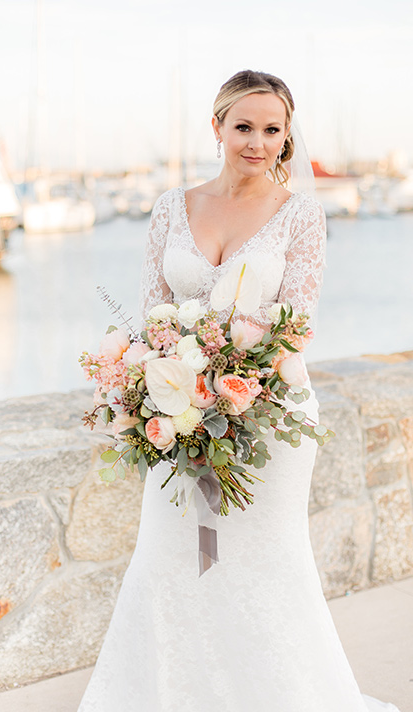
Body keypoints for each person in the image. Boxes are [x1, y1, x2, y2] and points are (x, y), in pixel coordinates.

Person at [78, 70, 401, 712]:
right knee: (172, 557)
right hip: (173, 411)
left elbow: (296, 325)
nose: (257, 142)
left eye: (272, 129)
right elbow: (153, 313)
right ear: (219, 126)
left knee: (262, 563)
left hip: (271, 416)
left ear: (286, 137)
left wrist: (227, 389)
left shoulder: (301, 215)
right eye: (244, 127)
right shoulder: (172, 207)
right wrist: (165, 389)